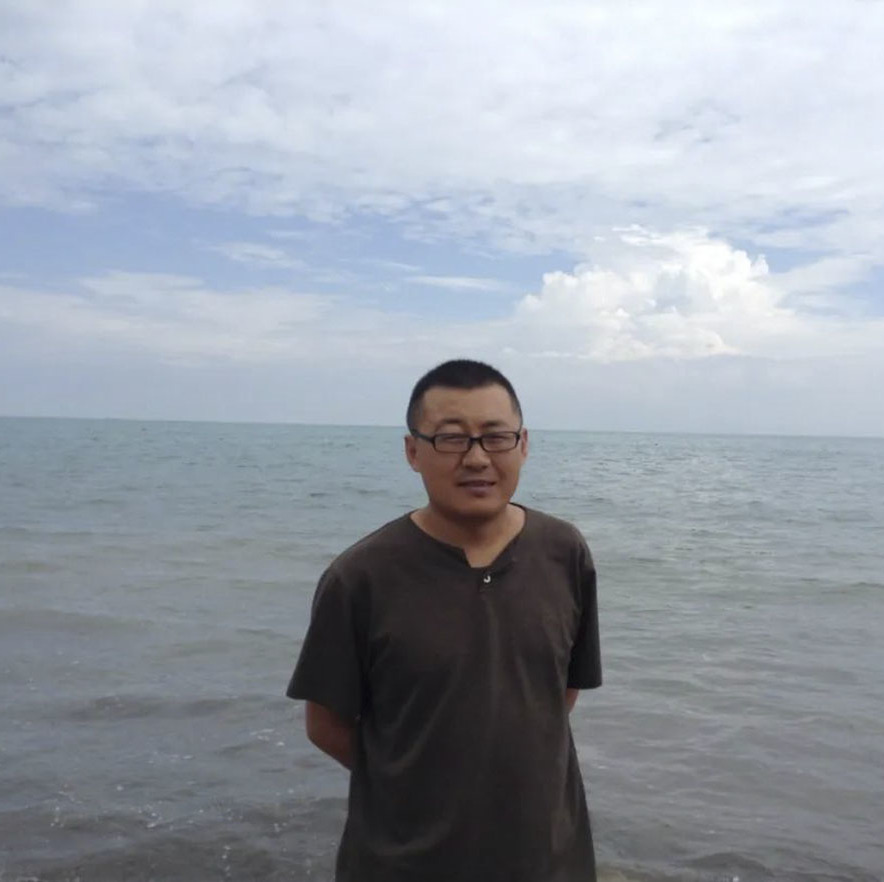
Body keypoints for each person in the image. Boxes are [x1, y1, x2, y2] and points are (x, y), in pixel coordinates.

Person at [287, 359, 602, 882]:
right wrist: (414, 785)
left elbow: (558, 693)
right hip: (401, 863)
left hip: (548, 857)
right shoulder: (361, 576)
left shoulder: (563, 552)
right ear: (413, 451)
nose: (477, 458)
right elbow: (325, 725)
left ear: (523, 444)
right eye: (451, 439)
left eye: (495, 437)